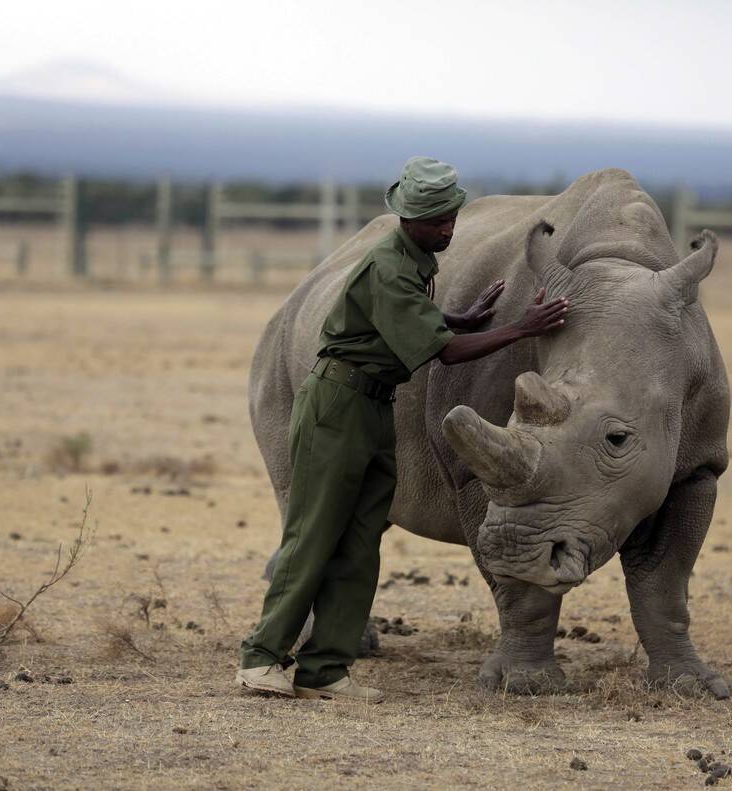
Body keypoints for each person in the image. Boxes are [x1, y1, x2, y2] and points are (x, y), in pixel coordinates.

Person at [236, 156, 569, 702]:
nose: (447, 229)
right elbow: (445, 354)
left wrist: (459, 318)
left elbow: (402, 323)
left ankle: (325, 670)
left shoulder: (417, 260)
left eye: (451, 218)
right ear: (405, 219)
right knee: (314, 535)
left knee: (362, 540)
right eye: (435, 221)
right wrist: (519, 328)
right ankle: (262, 658)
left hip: (373, 404)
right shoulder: (389, 264)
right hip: (337, 405)